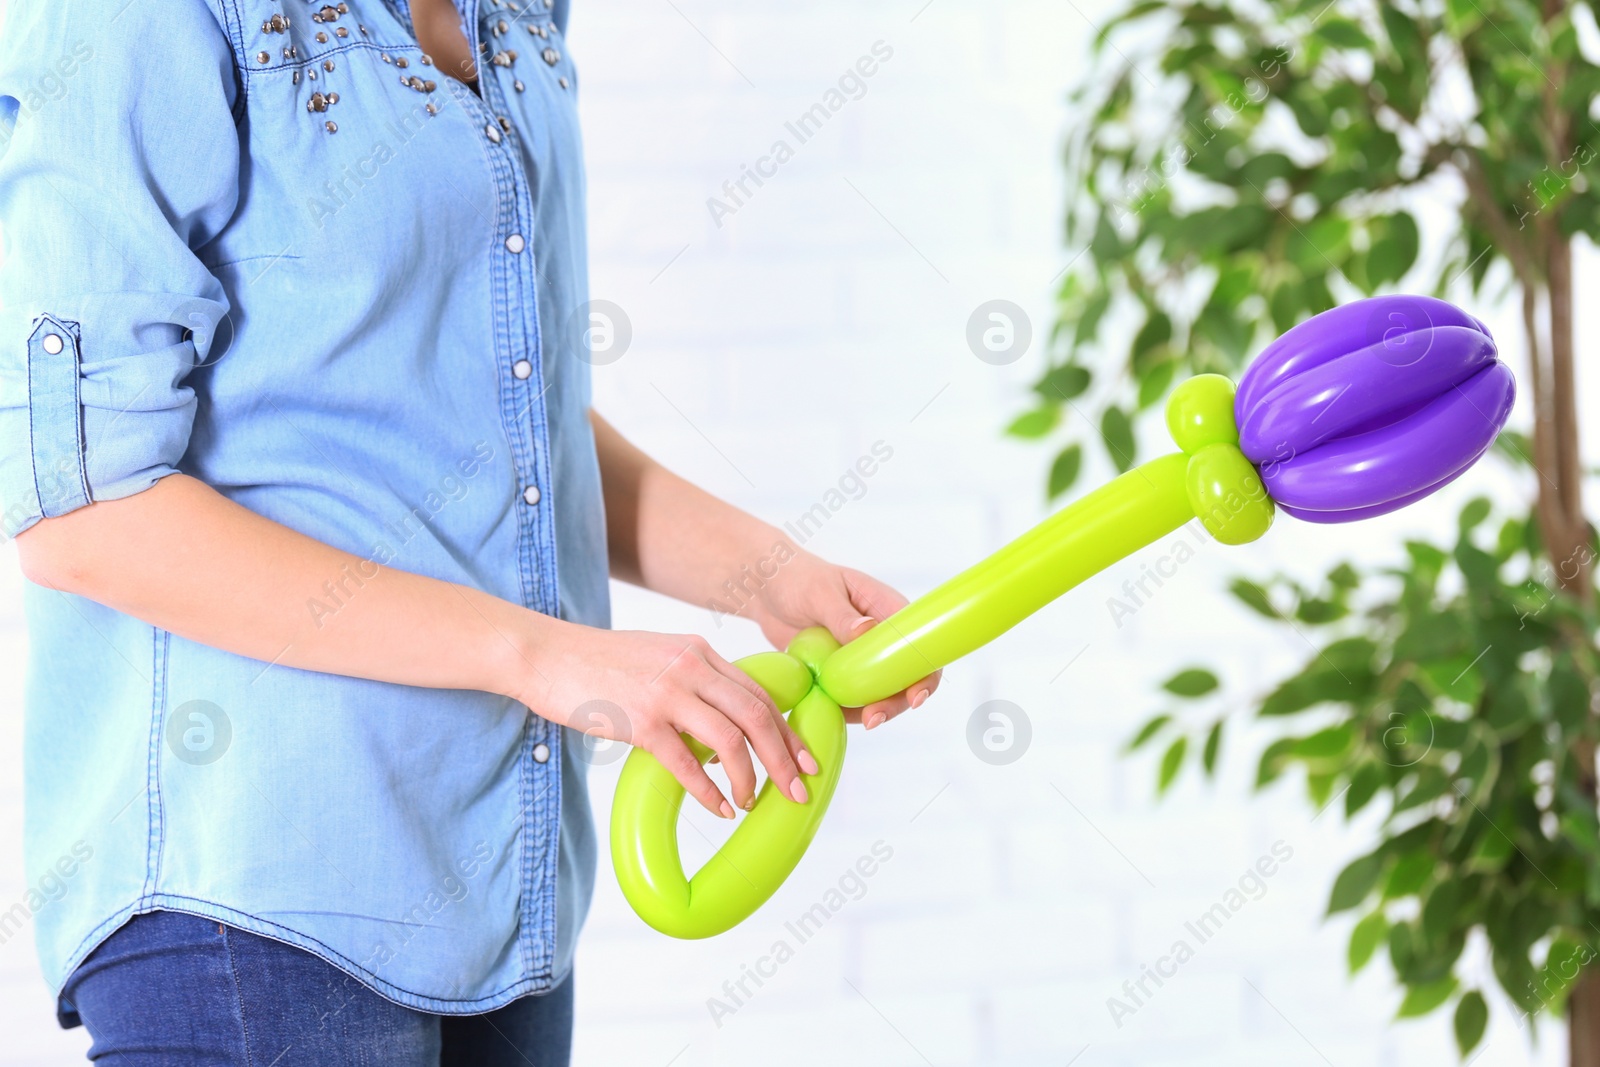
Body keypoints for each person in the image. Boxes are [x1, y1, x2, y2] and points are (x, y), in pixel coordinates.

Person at [0, 0, 938, 1061]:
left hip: (505, 877)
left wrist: (766, 574)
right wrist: (546, 656)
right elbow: (84, 509)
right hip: (255, 897)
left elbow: (500, 410)